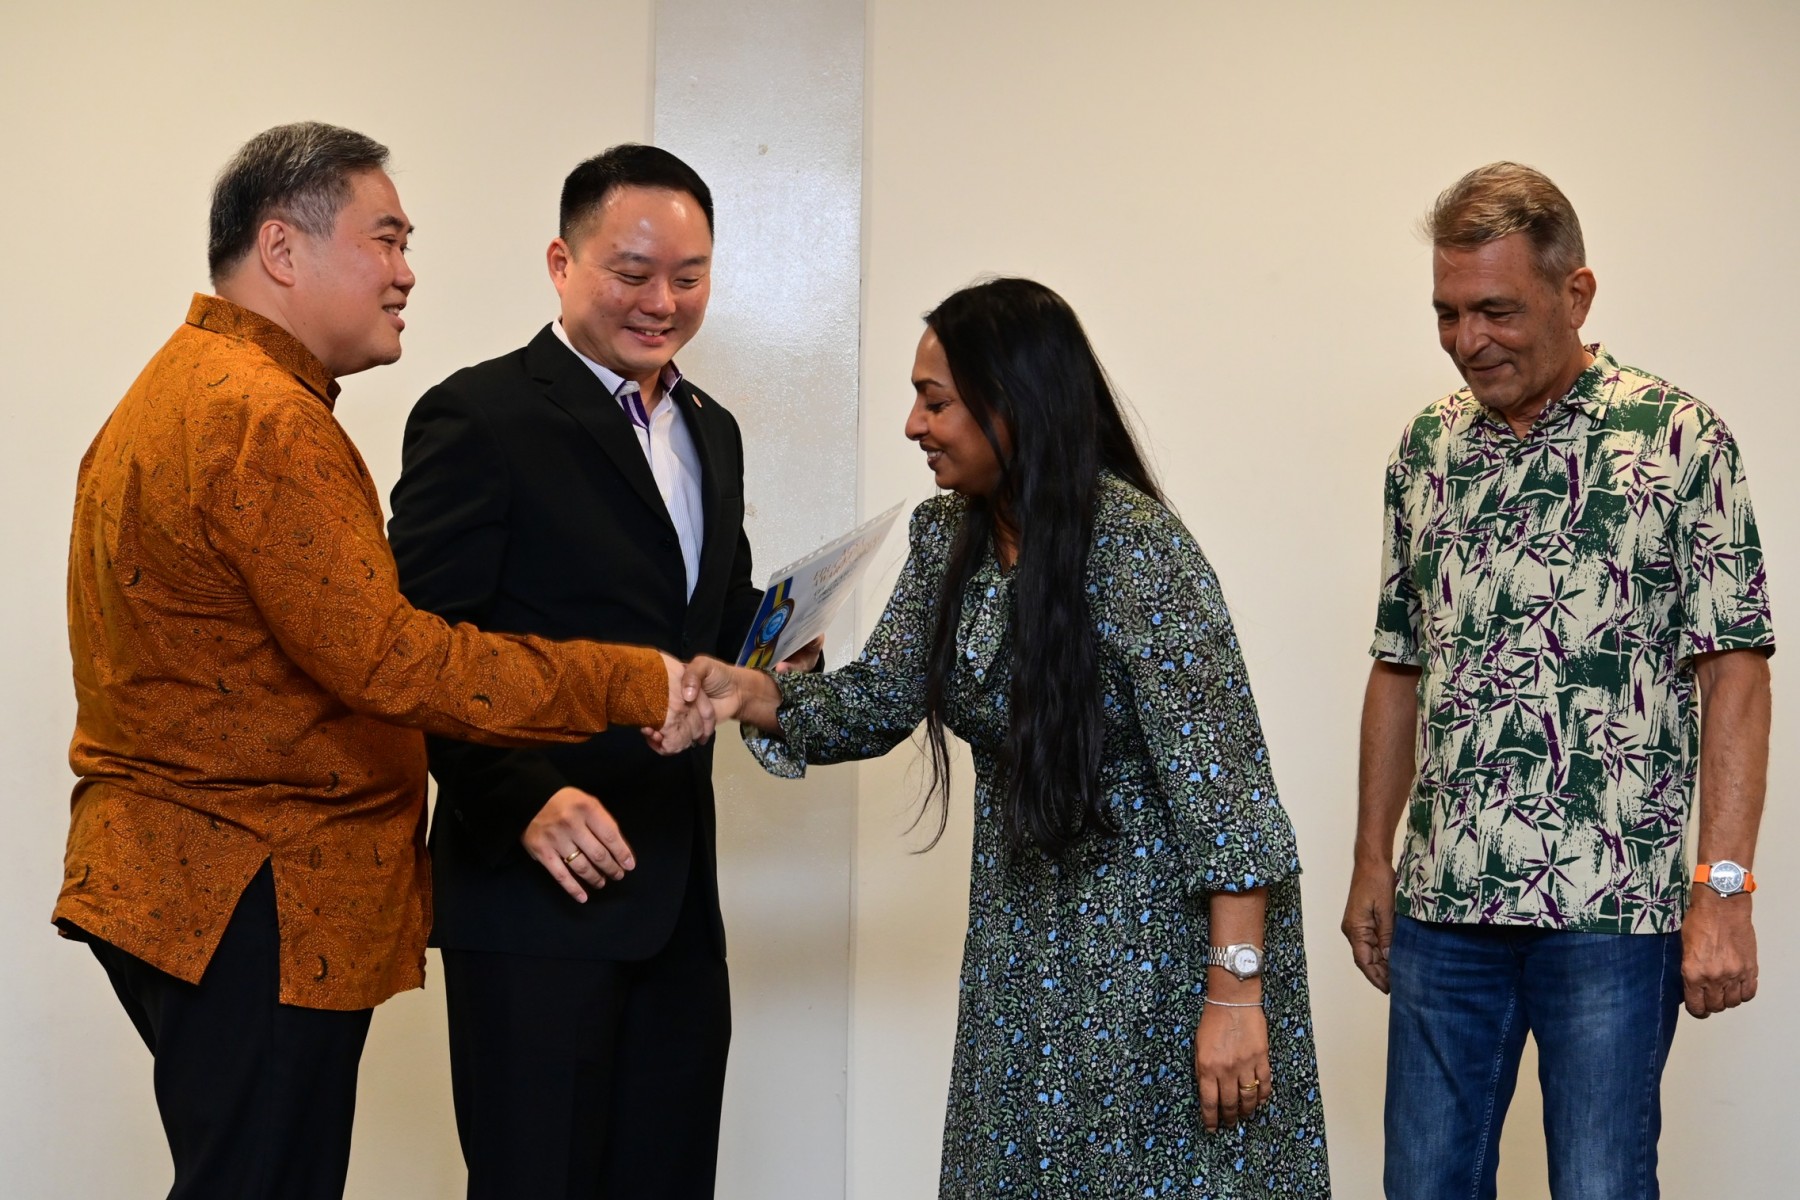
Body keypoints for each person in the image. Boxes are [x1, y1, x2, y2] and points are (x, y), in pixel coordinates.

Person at [54, 122, 708, 1200]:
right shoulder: (262, 418)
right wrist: (638, 681)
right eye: (387, 240)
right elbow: (394, 661)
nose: (407, 273)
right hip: (252, 885)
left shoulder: (180, 386)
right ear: (282, 249)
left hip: (181, 884)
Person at [682, 277, 1330, 1197]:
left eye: (935, 401)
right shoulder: (947, 535)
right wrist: (750, 692)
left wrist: (1234, 994)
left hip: (1159, 963)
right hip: (1024, 950)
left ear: (1013, 406)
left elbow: (1227, 798)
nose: (914, 425)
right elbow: (881, 698)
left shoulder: (1138, 548)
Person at [1341, 162, 1775, 1199]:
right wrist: (1371, 860)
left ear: (1575, 294)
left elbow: (1736, 674)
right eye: (1447, 313)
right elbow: (1397, 664)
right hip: (1444, 907)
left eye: (1495, 310)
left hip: (1611, 913)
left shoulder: (1679, 439)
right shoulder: (1426, 450)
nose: (1467, 339)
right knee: (1424, 1185)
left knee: (1600, 1185)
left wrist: (1723, 891)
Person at [387, 143, 805, 1200]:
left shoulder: (713, 429)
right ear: (561, 264)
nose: (663, 303)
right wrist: (516, 799)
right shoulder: (478, 415)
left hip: (678, 897)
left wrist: (775, 654)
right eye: (633, 273)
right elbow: (414, 650)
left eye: (689, 277)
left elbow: (709, 612)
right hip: (537, 892)